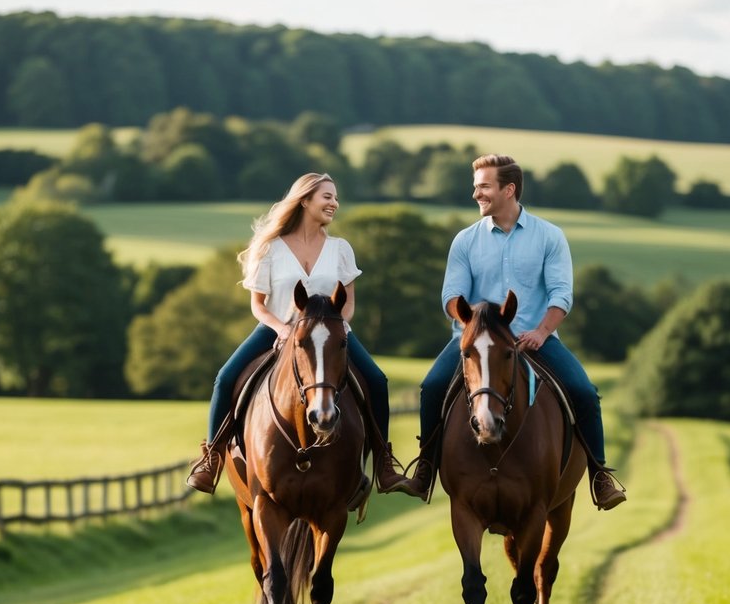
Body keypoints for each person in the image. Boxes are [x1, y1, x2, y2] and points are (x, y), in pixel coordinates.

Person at [394, 154, 626, 510]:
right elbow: (450, 295)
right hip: (474, 343)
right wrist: (471, 322)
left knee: (584, 392)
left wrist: (542, 331)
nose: (476, 195)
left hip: (534, 340)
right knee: (431, 388)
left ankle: (599, 476)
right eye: (476, 187)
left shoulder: (550, 236)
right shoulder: (465, 241)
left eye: (484, 187)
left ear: (509, 189)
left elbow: (561, 293)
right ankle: (424, 468)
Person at [186, 172, 409, 495]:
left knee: (376, 380)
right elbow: (258, 305)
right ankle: (212, 459)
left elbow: (348, 304)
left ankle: (384, 466)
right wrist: (281, 328)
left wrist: (338, 327)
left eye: (335, 197)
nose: (334, 203)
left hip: (330, 333)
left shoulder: (341, 249)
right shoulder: (271, 249)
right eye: (327, 197)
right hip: (278, 328)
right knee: (225, 377)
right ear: (305, 200)